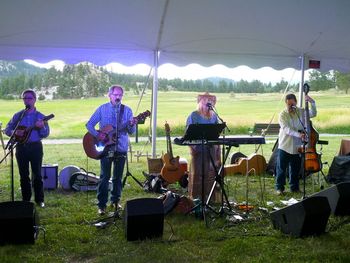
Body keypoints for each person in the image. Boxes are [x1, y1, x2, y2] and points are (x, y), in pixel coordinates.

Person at [86, 85, 137, 215]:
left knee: (117, 178)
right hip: (105, 147)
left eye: (120, 95)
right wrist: (98, 135)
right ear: (109, 95)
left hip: (121, 147)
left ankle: (115, 201)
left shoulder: (127, 110)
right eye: (116, 95)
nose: (118, 97)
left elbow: (131, 131)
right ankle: (101, 205)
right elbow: (89, 124)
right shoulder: (102, 109)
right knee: (104, 176)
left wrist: (132, 124)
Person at [5, 89, 50, 207]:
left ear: (35, 100)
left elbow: (45, 134)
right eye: (25, 98)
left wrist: (41, 127)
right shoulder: (18, 115)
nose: (27, 100)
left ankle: (39, 200)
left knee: (37, 174)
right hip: (21, 147)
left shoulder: (41, 117)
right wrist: (14, 133)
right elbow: (7, 129)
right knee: (23, 175)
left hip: (35, 147)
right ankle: (26, 200)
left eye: (29, 98)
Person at [275, 93, 317, 195]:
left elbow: (313, 113)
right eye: (289, 105)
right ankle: (279, 188)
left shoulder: (301, 111)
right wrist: (299, 135)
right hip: (285, 145)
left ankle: (294, 187)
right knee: (281, 168)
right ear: (286, 103)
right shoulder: (283, 114)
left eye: (292, 104)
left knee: (295, 168)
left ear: (296, 102)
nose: (291, 107)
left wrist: (312, 102)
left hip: (298, 146)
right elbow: (286, 129)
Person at [186, 92, 221, 201]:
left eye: (211, 100)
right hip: (198, 150)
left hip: (211, 150)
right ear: (201, 102)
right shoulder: (194, 115)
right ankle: (196, 199)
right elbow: (188, 135)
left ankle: (210, 199)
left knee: (211, 174)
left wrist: (218, 152)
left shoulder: (214, 116)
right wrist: (192, 149)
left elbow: (217, 135)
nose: (209, 102)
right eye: (206, 100)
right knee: (198, 174)